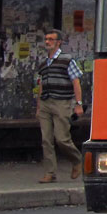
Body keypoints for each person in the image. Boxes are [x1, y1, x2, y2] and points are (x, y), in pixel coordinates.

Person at [35, 29, 84, 183]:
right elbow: (41, 84)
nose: (47, 42)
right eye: (46, 39)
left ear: (58, 42)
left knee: (62, 138)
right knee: (46, 139)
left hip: (62, 102)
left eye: (51, 39)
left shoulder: (67, 60)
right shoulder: (43, 63)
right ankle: (50, 172)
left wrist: (79, 104)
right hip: (46, 102)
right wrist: (38, 106)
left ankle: (77, 159)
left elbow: (76, 81)